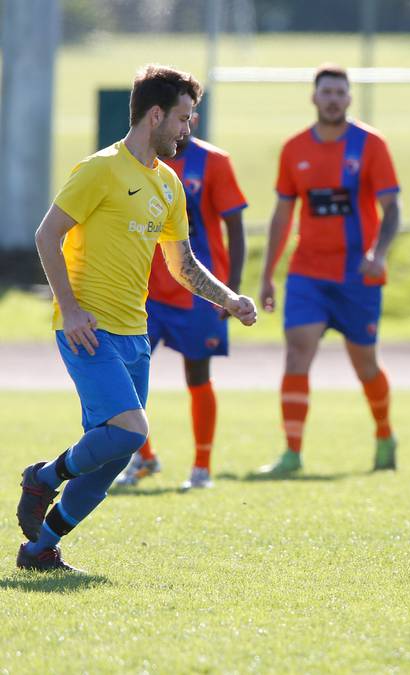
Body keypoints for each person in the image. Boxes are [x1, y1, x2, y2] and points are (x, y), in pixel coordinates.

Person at [16, 64, 257, 572]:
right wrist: (72, 308)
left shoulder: (169, 184)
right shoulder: (99, 170)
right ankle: (42, 476)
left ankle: (39, 551)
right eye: (184, 118)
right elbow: (46, 236)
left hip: (134, 335)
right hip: (88, 330)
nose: (188, 129)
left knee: (113, 458)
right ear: (155, 115)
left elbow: (183, 264)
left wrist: (230, 299)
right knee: (130, 431)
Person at [257, 64, 401, 476]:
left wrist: (378, 251)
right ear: (314, 97)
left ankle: (385, 434)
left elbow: (393, 208)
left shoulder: (370, 145)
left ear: (349, 99)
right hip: (308, 274)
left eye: (340, 92)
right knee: (297, 353)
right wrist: (268, 273)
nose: (334, 99)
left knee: (365, 365)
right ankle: (292, 453)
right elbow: (283, 215)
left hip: (359, 276)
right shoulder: (294, 149)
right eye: (327, 92)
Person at [115, 110, 248, 491]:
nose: (182, 124)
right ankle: (145, 457)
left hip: (198, 294)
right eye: (176, 115)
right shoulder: (136, 162)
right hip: (146, 291)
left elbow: (235, 227)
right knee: (125, 374)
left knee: (198, 375)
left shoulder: (214, 162)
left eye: (188, 115)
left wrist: (231, 290)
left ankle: (202, 467)